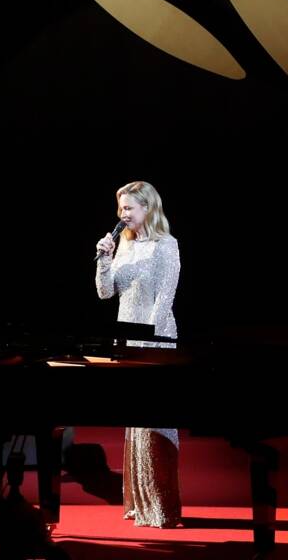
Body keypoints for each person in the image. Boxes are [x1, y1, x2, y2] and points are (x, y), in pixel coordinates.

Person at [94, 181, 182, 528]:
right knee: (136, 420)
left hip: (155, 338)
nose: (123, 215)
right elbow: (105, 293)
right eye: (121, 209)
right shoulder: (124, 247)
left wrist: (150, 344)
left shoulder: (167, 245)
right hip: (126, 340)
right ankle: (140, 504)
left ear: (148, 208)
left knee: (157, 420)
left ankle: (163, 507)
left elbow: (165, 300)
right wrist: (104, 258)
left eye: (129, 208)